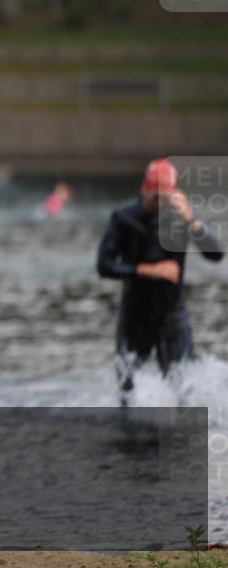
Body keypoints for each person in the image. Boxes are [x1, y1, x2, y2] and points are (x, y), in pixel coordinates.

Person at [97, 158, 224, 405]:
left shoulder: (183, 216)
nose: (161, 204)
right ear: (144, 191)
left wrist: (191, 221)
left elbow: (216, 254)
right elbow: (104, 266)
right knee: (129, 394)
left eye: (166, 197)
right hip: (135, 316)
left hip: (172, 315)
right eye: (156, 198)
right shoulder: (124, 218)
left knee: (183, 391)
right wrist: (147, 269)